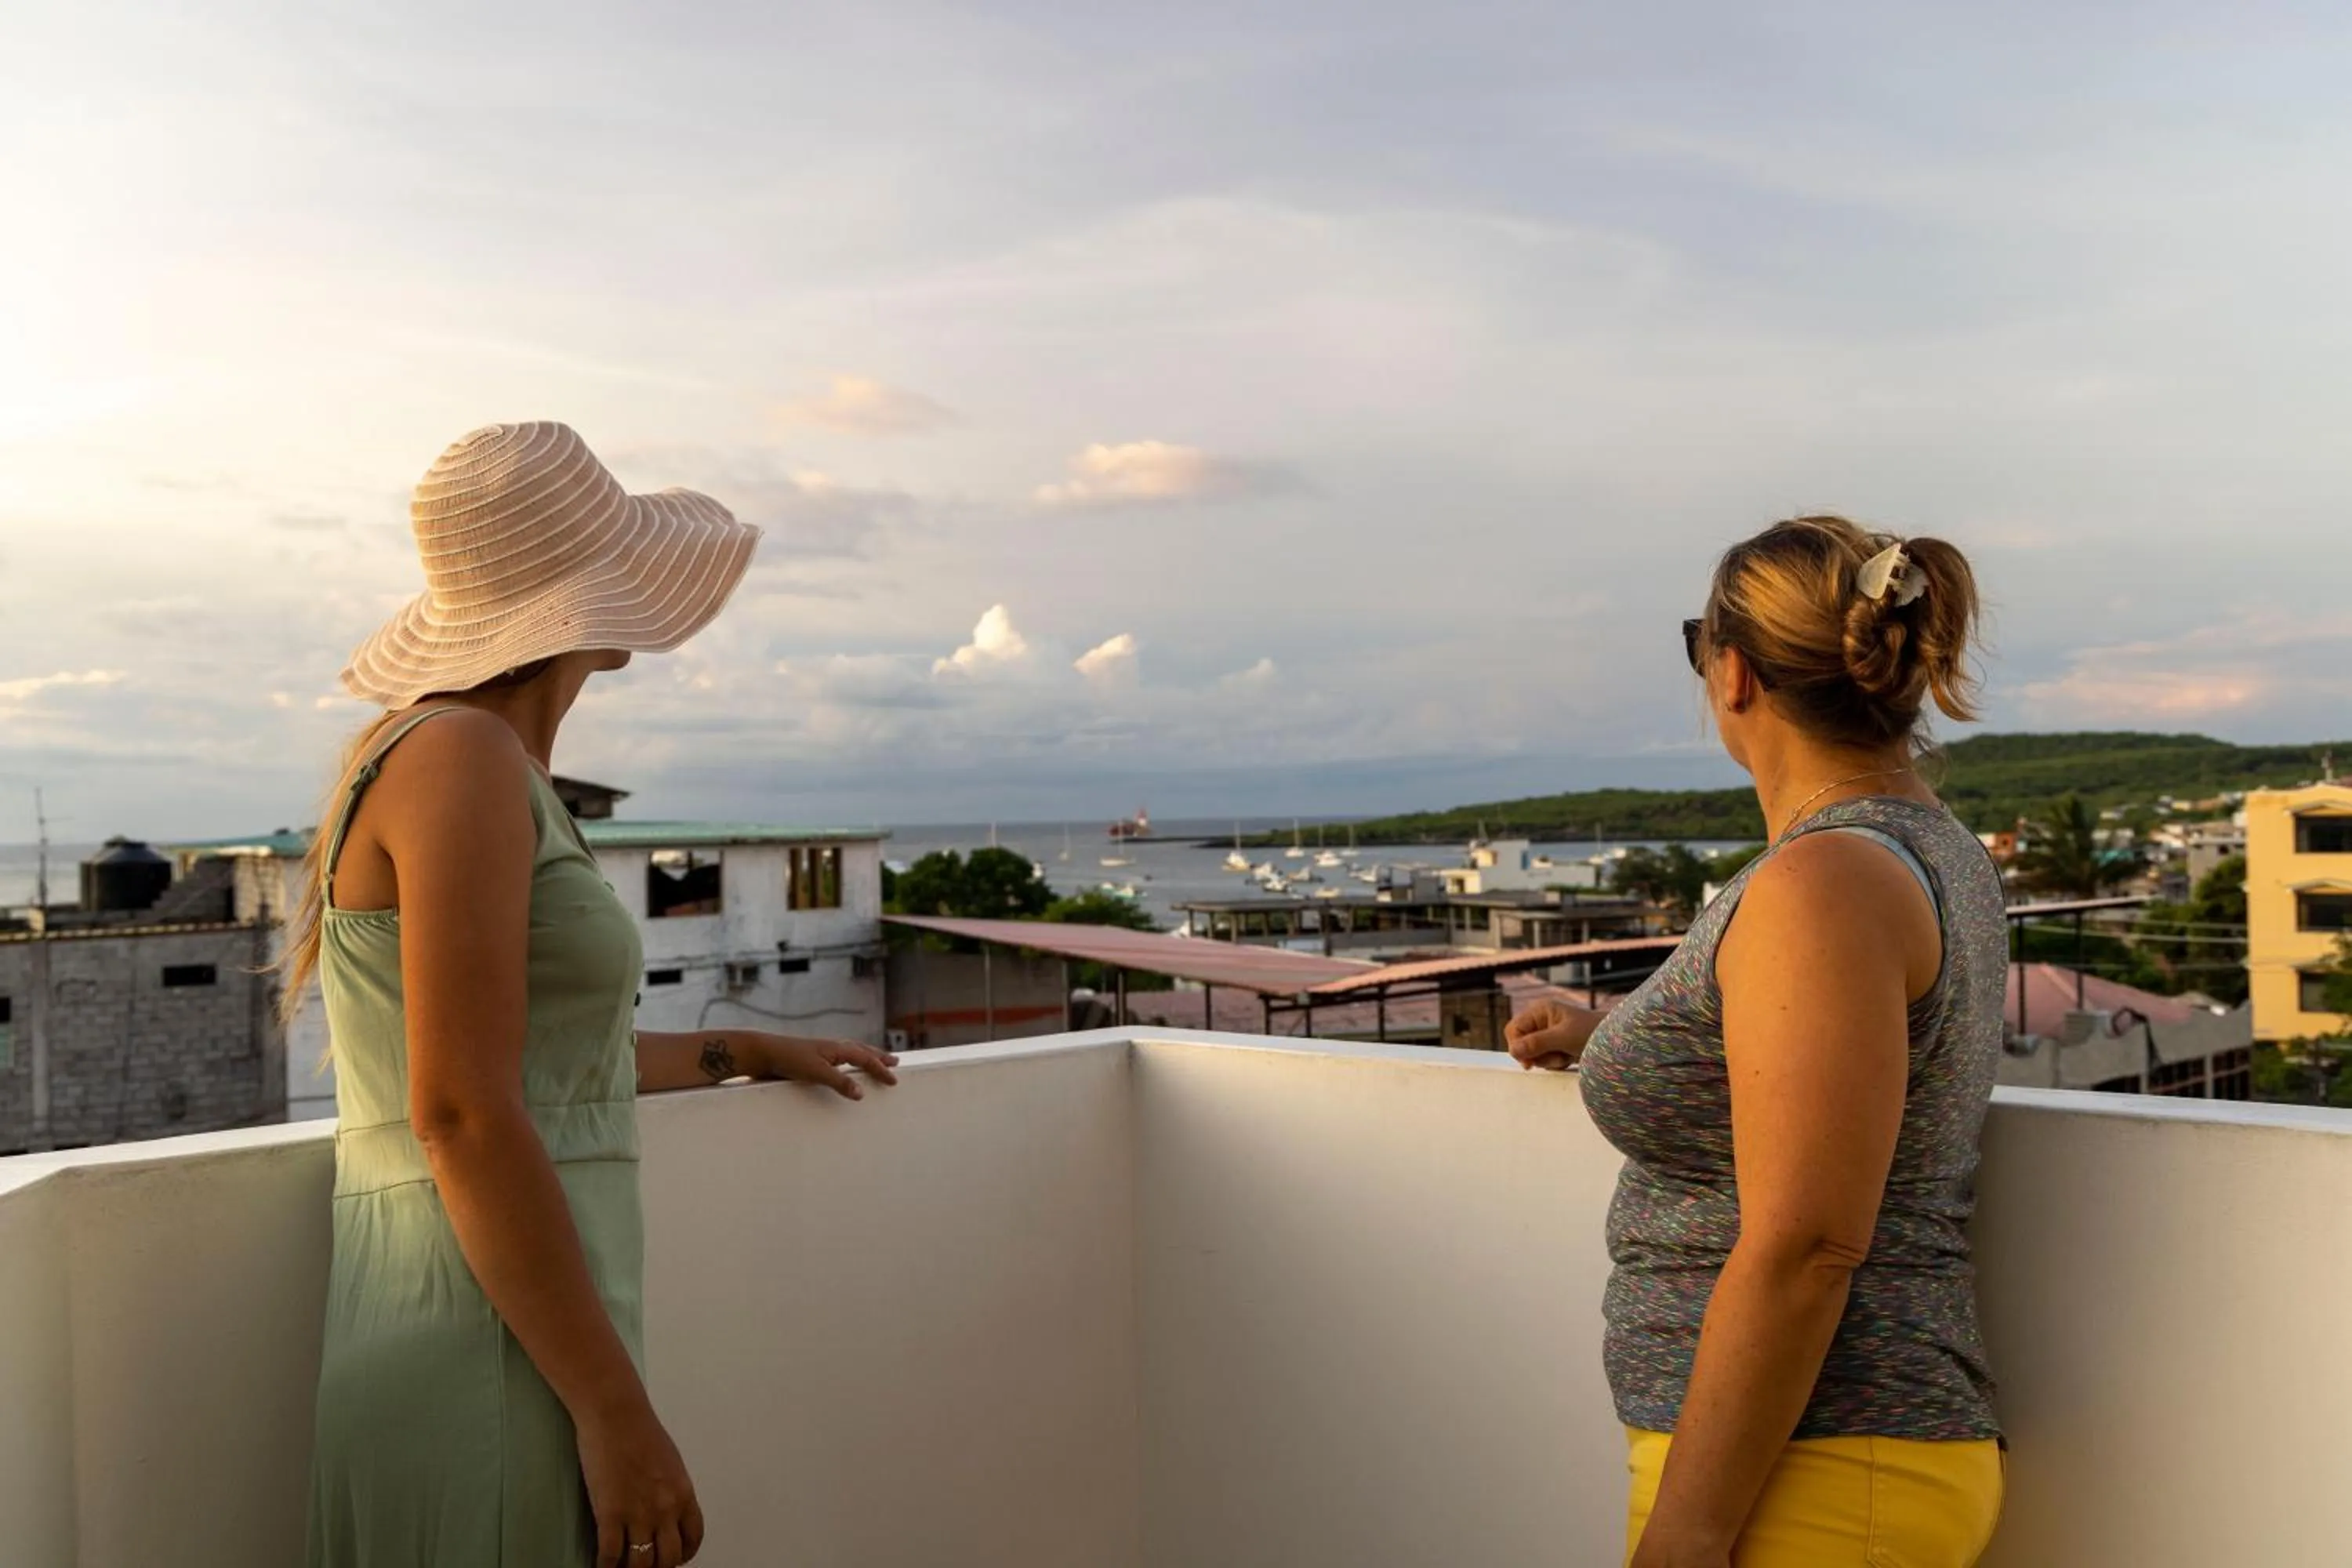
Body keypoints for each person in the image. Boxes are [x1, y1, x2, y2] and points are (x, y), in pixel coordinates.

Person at [288, 422, 900, 1568]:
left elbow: (543, 1069)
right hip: (489, 1340)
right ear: (583, 603)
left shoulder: (480, 764)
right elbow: (463, 1114)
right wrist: (618, 1416)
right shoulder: (458, 757)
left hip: (505, 1319)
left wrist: (744, 1053)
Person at [1507, 517, 2006, 1568]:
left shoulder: (1823, 884)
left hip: (1811, 1474)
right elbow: (1835, 1059)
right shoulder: (1925, 852)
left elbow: (1809, 1243)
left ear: (1733, 673)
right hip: (1818, 1464)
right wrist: (1614, 1037)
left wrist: (1687, 1535)